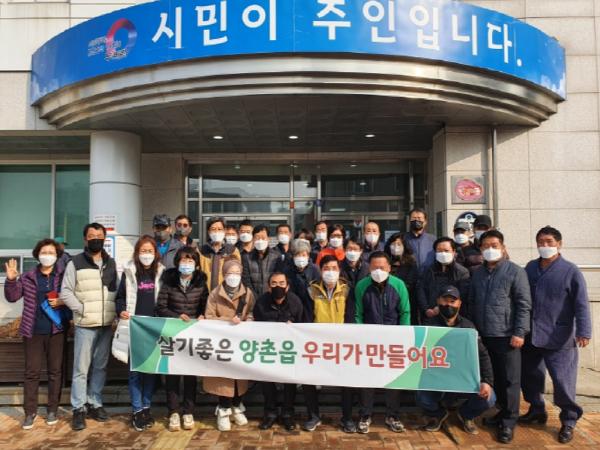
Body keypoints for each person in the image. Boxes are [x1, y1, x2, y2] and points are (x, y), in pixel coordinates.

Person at [520, 226, 592, 444]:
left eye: (549, 242)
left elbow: (581, 304)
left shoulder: (570, 271)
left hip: (559, 336)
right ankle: (536, 409)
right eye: (541, 242)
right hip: (532, 334)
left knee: (563, 381)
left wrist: (584, 331)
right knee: (530, 376)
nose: (545, 246)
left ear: (559, 244)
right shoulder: (531, 268)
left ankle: (569, 420)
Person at [467, 230, 531, 444]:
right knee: (495, 378)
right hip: (484, 334)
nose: (490, 249)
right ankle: (501, 411)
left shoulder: (515, 271)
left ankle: (509, 421)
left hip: (507, 335)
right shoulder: (478, 273)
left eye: (494, 245)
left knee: (511, 380)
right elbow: (472, 302)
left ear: (503, 248)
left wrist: (519, 332)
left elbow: (523, 304)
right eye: (485, 246)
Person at [4, 239, 69, 430]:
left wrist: (62, 301)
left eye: (51, 252)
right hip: (32, 331)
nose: (47, 255)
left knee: (55, 372)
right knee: (32, 372)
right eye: (44, 252)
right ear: (37, 255)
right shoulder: (28, 276)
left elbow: (72, 296)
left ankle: (52, 410)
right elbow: (12, 297)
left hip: (56, 330)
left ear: (57, 256)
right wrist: (11, 280)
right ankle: (30, 412)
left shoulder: (63, 276)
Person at [60, 223, 118, 431]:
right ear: (85, 239)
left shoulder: (111, 263)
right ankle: (79, 408)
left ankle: (95, 402)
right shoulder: (75, 262)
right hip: (85, 324)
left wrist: (115, 313)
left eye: (99, 236)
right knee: (81, 369)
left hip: (105, 324)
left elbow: (115, 290)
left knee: (100, 366)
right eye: (92, 236)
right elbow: (66, 292)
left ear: (104, 238)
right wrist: (81, 309)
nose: (96, 239)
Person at [416, 285, 496, 435]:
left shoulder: (468, 327)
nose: (448, 305)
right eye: (445, 301)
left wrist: (487, 381)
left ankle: (466, 415)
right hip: (437, 378)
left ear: (459, 303)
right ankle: (438, 414)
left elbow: (482, 355)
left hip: (463, 378)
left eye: (452, 301)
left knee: (489, 398)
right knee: (422, 397)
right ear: (438, 301)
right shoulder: (429, 325)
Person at [112, 235, 165, 431]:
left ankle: (146, 407)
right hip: (134, 328)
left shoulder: (161, 273)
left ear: (155, 253)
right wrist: (121, 311)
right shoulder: (129, 272)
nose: (146, 254)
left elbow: (164, 299)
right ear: (137, 253)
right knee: (135, 372)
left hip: (153, 329)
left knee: (150, 370)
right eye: (143, 251)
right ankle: (136, 410)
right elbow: (120, 298)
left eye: (150, 251)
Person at [354, 251, 410, 434]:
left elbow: (405, 312)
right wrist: (361, 335)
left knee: (393, 379)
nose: (378, 271)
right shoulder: (362, 286)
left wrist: (403, 335)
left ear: (389, 268)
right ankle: (365, 415)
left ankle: (392, 415)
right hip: (369, 342)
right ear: (369, 268)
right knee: (367, 379)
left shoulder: (398, 285)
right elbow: (358, 313)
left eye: (382, 267)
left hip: (393, 342)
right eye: (374, 267)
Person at [156, 246, 209, 432]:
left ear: (196, 264)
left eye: (190, 260)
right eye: (183, 260)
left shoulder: (201, 283)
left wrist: (202, 315)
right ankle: (173, 412)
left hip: (192, 335)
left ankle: (188, 412)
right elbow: (161, 307)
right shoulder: (169, 282)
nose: (187, 264)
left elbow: (205, 305)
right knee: (172, 374)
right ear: (177, 263)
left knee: (190, 375)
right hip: (172, 334)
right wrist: (176, 316)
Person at [302, 255, 356, 433]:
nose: (330, 272)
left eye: (334, 268)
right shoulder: (311, 290)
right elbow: (307, 317)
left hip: (341, 344)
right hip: (317, 343)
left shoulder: (347, 290)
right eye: (326, 268)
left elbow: (350, 315)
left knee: (346, 381)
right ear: (320, 270)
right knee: (309, 380)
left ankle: (347, 418)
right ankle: (313, 416)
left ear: (339, 270)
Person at [204, 259, 255, 431]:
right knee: (223, 378)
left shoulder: (248, 293)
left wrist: (248, 320)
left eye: (237, 273)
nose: (233, 276)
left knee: (239, 377)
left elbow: (251, 312)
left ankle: (237, 406)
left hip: (240, 341)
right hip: (221, 342)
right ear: (224, 274)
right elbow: (209, 317)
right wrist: (228, 320)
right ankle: (223, 410)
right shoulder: (215, 294)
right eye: (230, 273)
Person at [253, 272, 304, 431]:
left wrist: (293, 327)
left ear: (287, 286)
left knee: (289, 382)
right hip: (268, 348)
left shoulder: (295, 302)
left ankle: (288, 414)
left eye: (282, 283)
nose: (278, 287)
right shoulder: (261, 303)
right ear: (269, 287)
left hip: (288, 350)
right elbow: (255, 326)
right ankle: (270, 413)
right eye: (274, 283)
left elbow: (302, 325)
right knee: (267, 381)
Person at [416, 237, 470, 321]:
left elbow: (463, 295)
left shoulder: (462, 272)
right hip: (430, 316)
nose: (443, 254)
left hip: (453, 317)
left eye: (446, 250)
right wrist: (426, 309)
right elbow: (421, 290)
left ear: (453, 252)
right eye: (439, 251)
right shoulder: (428, 270)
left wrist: (442, 308)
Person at [384, 232, 419, 324]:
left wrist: (395, 293)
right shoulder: (385, 262)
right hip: (387, 303)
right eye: (393, 244)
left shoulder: (411, 263)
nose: (396, 247)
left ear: (404, 247)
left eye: (399, 244)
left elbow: (410, 284)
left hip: (406, 301)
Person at [199, 217, 241, 291]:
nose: (216, 232)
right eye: (213, 229)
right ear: (208, 231)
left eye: (219, 229)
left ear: (224, 231)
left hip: (225, 293)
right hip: (205, 293)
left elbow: (238, 273)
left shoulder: (232, 250)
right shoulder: (201, 251)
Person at [282, 239, 320, 319]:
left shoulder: (315, 270)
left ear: (308, 256)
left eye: (303, 255)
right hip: (293, 309)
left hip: (311, 310)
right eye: (297, 255)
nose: (300, 258)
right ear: (293, 256)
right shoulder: (287, 271)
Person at [242, 224, 281, 298]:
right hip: (252, 298)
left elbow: (278, 277)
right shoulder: (246, 257)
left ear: (268, 239)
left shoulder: (276, 256)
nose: (260, 240)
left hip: (271, 297)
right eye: (257, 238)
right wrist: (254, 296)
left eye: (263, 238)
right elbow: (246, 280)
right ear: (253, 239)